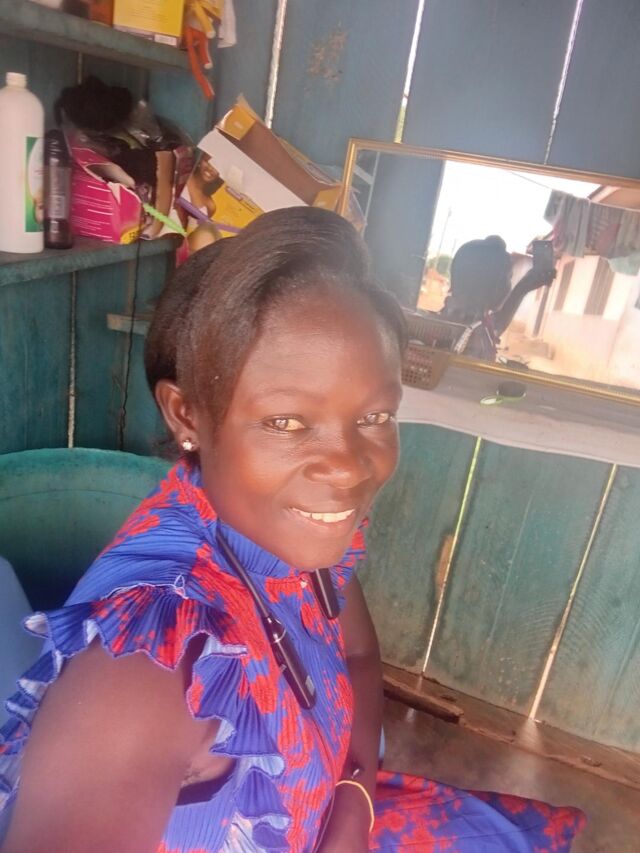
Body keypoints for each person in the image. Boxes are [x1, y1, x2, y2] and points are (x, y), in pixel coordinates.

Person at [0, 208, 584, 852]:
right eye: (286, 422)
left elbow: (357, 654)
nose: (348, 467)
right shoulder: (147, 667)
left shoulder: (289, 539)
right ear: (187, 413)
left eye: (374, 416)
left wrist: (354, 796)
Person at [441, 235, 555, 359]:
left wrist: (522, 288)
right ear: (495, 284)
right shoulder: (464, 329)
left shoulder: (467, 319)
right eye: (509, 278)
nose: (509, 287)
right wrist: (521, 288)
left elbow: (497, 324)